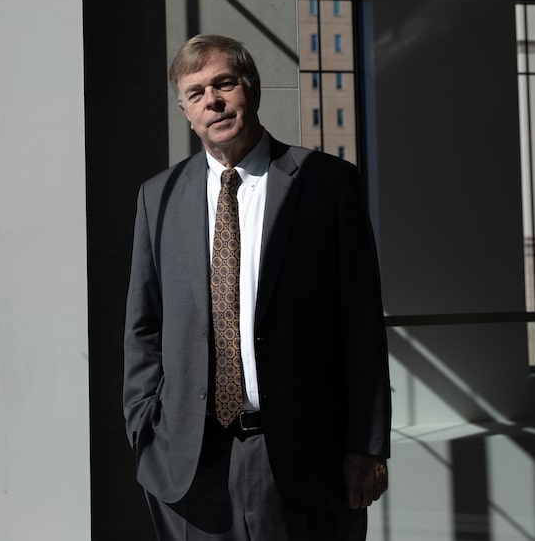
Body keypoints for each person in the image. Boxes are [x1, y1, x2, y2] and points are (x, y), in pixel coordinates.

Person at [123, 34, 391, 540]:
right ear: (185, 111)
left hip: (298, 455)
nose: (213, 101)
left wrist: (368, 445)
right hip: (187, 461)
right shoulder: (157, 197)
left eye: (224, 83)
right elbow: (143, 325)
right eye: (196, 93)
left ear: (252, 88)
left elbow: (361, 325)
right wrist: (144, 427)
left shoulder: (326, 185)